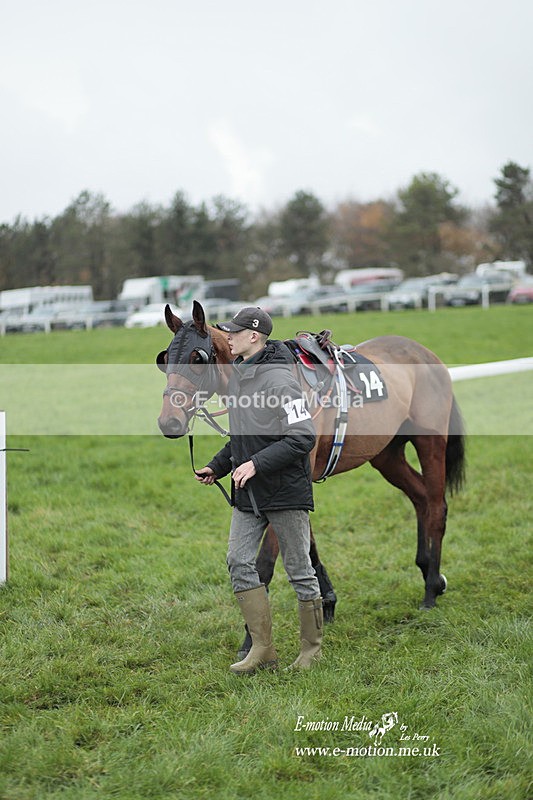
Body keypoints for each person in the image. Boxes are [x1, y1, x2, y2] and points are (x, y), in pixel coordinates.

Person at [195, 306, 323, 674]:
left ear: (254, 336)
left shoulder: (281, 380)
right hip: (248, 494)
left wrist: (256, 463)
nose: (228, 337)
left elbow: (302, 437)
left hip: (284, 491)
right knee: (238, 562)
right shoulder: (237, 376)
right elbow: (241, 437)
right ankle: (263, 649)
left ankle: (311, 651)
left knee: (299, 570)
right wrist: (218, 466)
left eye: (234, 333)